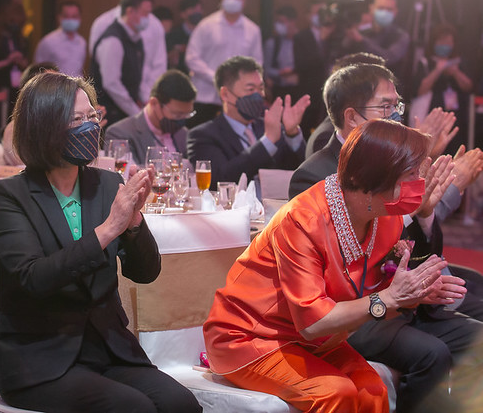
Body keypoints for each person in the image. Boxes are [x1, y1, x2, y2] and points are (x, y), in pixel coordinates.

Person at [204, 119, 478, 412]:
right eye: (411, 174)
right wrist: (389, 298)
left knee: (373, 389)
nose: (419, 184)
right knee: (337, 393)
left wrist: (415, 294)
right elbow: (313, 322)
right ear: (375, 180)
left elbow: (375, 297)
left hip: (319, 338)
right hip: (249, 337)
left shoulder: (385, 218)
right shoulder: (303, 220)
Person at [0, 72, 201, 413]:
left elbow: (145, 272)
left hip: (108, 348)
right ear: (43, 126)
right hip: (41, 358)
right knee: (134, 408)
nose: (89, 127)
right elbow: (32, 278)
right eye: (76, 120)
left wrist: (133, 223)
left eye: (92, 117)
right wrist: (109, 228)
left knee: (181, 404)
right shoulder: (11, 195)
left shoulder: (106, 184)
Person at [289, 63, 482, 224]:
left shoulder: (395, 162)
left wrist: (425, 212)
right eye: (385, 107)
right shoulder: (313, 177)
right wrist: (415, 209)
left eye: (396, 106)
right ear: (352, 117)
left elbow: (420, 246)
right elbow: (342, 248)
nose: (395, 116)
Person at [187, 56, 309, 188]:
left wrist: (292, 134)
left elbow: (301, 171)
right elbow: (219, 179)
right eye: (250, 89)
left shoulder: (271, 127)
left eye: (261, 88)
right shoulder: (203, 136)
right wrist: (267, 142)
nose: (259, 95)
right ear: (225, 94)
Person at [186, 0, 263, 127]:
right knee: (200, 134)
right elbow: (192, 57)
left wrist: (240, 83)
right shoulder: (206, 25)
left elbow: (256, 63)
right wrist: (216, 77)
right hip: (205, 96)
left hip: (238, 98)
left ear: (244, 1)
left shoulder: (252, 30)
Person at [89, 0, 167, 105]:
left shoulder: (154, 24)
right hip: (110, 98)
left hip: (146, 95)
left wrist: (148, 96)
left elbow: (159, 64)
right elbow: (101, 67)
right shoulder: (103, 23)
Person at [105, 69, 196, 165]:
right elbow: (126, 172)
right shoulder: (121, 134)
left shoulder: (183, 134)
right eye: (177, 114)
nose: (182, 120)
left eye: (187, 114)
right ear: (154, 103)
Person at [91, 0, 154, 123]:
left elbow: (137, 77)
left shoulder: (136, 38)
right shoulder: (113, 40)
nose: (148, 19)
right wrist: (136, 113)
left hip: (126, 112)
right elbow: (111, 84)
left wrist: (147, 102)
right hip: (110, 115)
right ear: (130, 11)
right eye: (145, 14)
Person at [411, 23, 474, 155]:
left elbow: (469, 87)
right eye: (441, 41)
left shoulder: (459, 62)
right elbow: (420, 90)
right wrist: (438, 70)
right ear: (434, 42)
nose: (445, 45)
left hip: (456, 118)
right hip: (431, 116)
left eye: (448, 42)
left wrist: (455, 72)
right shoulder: (425, 62)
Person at [343, 0, 410, 80]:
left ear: (395, 12)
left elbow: (389, 58)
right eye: (381, 8)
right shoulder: (361, 32)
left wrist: (362, 41)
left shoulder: (400, 36)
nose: (384, 13)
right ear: (371, 8)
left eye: (389, 9)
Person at [293, 0, 332, 135]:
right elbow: (301, 65)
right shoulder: (301, 37)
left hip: (331, 93)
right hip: (309, 92)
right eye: (317, 13)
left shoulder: (335, 35)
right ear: (308, 16)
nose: (321, 16)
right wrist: (322, 41)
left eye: (324, 13)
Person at [33, 0, 87, 77]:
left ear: (80, 18)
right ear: (59, 17)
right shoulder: (48, 42)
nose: (70, 20)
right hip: (55, 84)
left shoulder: (82, 42)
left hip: (76, 83)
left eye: (74, 16)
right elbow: (38, 70)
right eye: (66, 16)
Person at [264, 5, 300, 102]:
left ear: (292, 22)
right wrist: (280, 73)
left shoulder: (303, 42)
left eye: (282, 22)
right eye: (277, 22)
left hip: (299, 90)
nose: (278, 25)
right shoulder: (272, 43)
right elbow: (266, 69)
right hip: (278, 90)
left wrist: (295, 71)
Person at [166, 0, 203, 74]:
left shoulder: (205, 33)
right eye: (193, 9)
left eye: (199, 9)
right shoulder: (173, 34)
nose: (197, 12)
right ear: (183, 14)